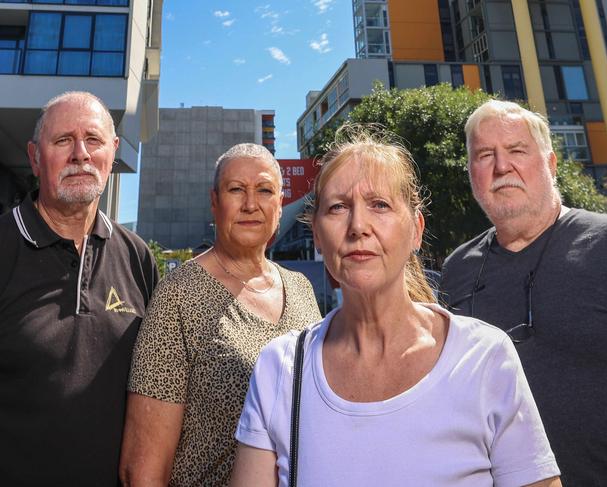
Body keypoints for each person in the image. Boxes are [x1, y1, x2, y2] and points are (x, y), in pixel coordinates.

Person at [230, 130, 561, 487]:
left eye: (380, 205)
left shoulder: (485, 358)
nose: (358, 226)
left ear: (416, 230)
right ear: (318, 238)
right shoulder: (278, 369)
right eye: (338, 207)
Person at [441, 100, 607, 486]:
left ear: (551, 164)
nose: (502, 167)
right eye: (485, 155)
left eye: (517, 150)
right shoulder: (456, 272)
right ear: (472, 174)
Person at [119, 143, 321, 486]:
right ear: (215, 202)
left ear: (279, 204)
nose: (251, 204)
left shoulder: (301, 289)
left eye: (264, 190)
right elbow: (141, 469)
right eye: (236, 190)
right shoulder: (178, 296)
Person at [0, 91, 158, 485]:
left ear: (113, 152)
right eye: (63, 141)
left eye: (93, 140)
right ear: (35, 158)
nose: (80, 155)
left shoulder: (137, 257)